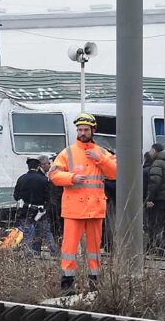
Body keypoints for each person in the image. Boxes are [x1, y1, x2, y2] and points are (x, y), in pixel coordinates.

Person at [49, 114, 117, 295]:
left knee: (95, 249)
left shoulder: (101, 152)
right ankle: (67, 285)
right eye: (80, 130)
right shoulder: (67, 153)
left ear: (93, 130)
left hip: (95, 209)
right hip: (74, 209)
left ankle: (95, 282)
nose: (82, 133)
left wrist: (100, 159)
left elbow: (115, 173)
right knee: (69, 248)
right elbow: (53, 175)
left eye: (86, 130)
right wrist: (71, 178)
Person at [13, 158, 57, 256]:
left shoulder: (21, 178)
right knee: (46, 232)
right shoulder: (44, 180)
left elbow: (16, 196)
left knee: (27, 232)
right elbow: (48, 197)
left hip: (25, 210)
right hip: (40, 211)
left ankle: (30, 254)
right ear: (38, 167)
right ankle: (54, 252)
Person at [145, 143, 165, 256]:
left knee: (155, 225)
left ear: (154, 151)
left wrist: (150, 198)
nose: (149, 153)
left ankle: (155, 249)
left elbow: (154, 182)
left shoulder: (157, 163)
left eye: (150, 150)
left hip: (158, 200)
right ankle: (164, 249)